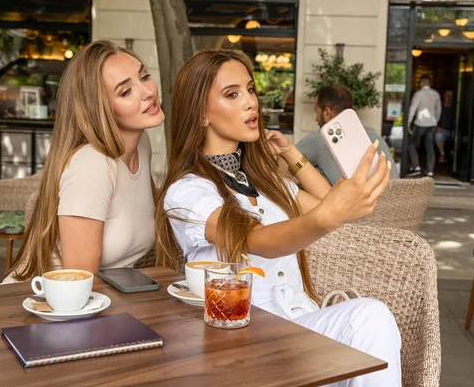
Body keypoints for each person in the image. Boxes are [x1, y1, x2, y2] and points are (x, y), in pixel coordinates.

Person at [155, 49, 401, 386]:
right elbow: (255, 240)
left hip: (298, 329)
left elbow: (328, 207)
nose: (250, 102)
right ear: (201, 115)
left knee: (371, 327)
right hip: (243, 343)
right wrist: (331, 214)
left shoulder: (262, 181)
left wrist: (290, 152)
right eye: (232, 94)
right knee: (370, 316)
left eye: (251, 89)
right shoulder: (187, 192)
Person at [3, 40, 164, 283]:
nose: (148, 91)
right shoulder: (93, 164)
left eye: (144, 76)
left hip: (106, 298)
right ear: (98, 109)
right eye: (125, 91)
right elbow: (77, 284)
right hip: (42, 305)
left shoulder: (141, 145)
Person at [296, 84, 399, 185]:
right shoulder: (373, 134)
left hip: (356, 201)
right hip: (394, 199)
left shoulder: (320, 138)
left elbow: (285, 162)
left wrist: (307, 169)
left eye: (317, 112)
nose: (316, 119)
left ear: (327, 112)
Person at [407, 74, 441, 177]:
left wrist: (408, 122)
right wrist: (436, 121)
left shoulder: (418, 94)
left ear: (421, 83)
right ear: (429, 83)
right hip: (432, 123)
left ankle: (416, 166)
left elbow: (413, 108)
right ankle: (430, 170)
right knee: (429, 146)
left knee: (411, 143)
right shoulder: (436, 94)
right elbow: (439, 109)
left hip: (420, 123)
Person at [435, 90, 455, 164]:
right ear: (444, 97)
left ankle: (454, 154)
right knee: (438, 135)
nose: (449, 98)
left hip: (454, 131)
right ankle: (442, 154)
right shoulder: (439, 108)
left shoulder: (456, 108)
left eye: (451, 96)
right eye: (447, 96)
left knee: (463, 138)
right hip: (442, 130)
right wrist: (437, 127)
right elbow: (433, 119)